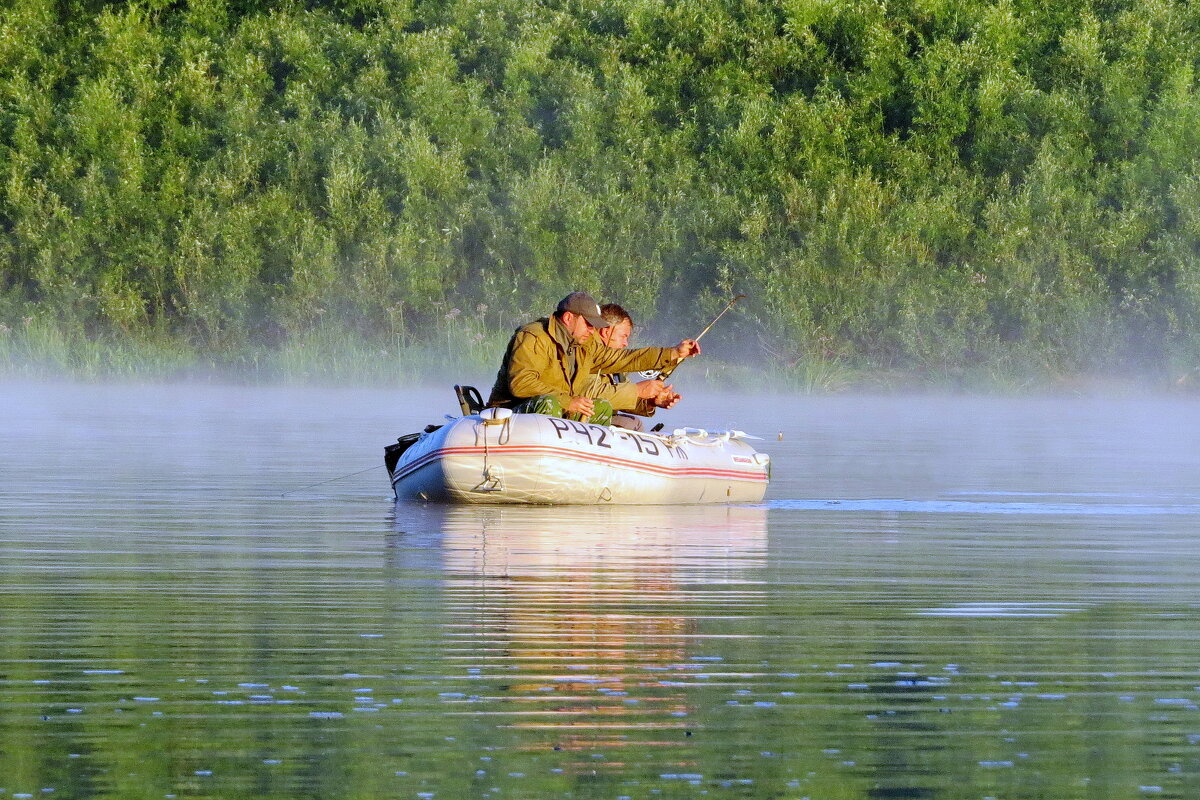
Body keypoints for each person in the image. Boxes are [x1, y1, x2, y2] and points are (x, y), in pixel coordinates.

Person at [487, 291, 700, 425]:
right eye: (588, 324)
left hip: (554, 410)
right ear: (569, 318)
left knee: (601, 408)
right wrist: (568, 401)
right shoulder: (534, 336)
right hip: (510, 412)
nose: (592, 331)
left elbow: (624, 359)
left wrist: (673, 353)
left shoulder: (583, 344)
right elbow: (522, 385)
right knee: (549, 403)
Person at [587, 303, 682, 431]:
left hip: (600, 416)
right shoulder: (588, 353)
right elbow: (593, 396)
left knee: (633, 423)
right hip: (580, 417)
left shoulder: (614, 366)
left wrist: (651, 402)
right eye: (623, 336)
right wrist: (637, 390)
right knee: (631, 425)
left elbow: (622, 399)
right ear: (606, 332)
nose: (626, 344)